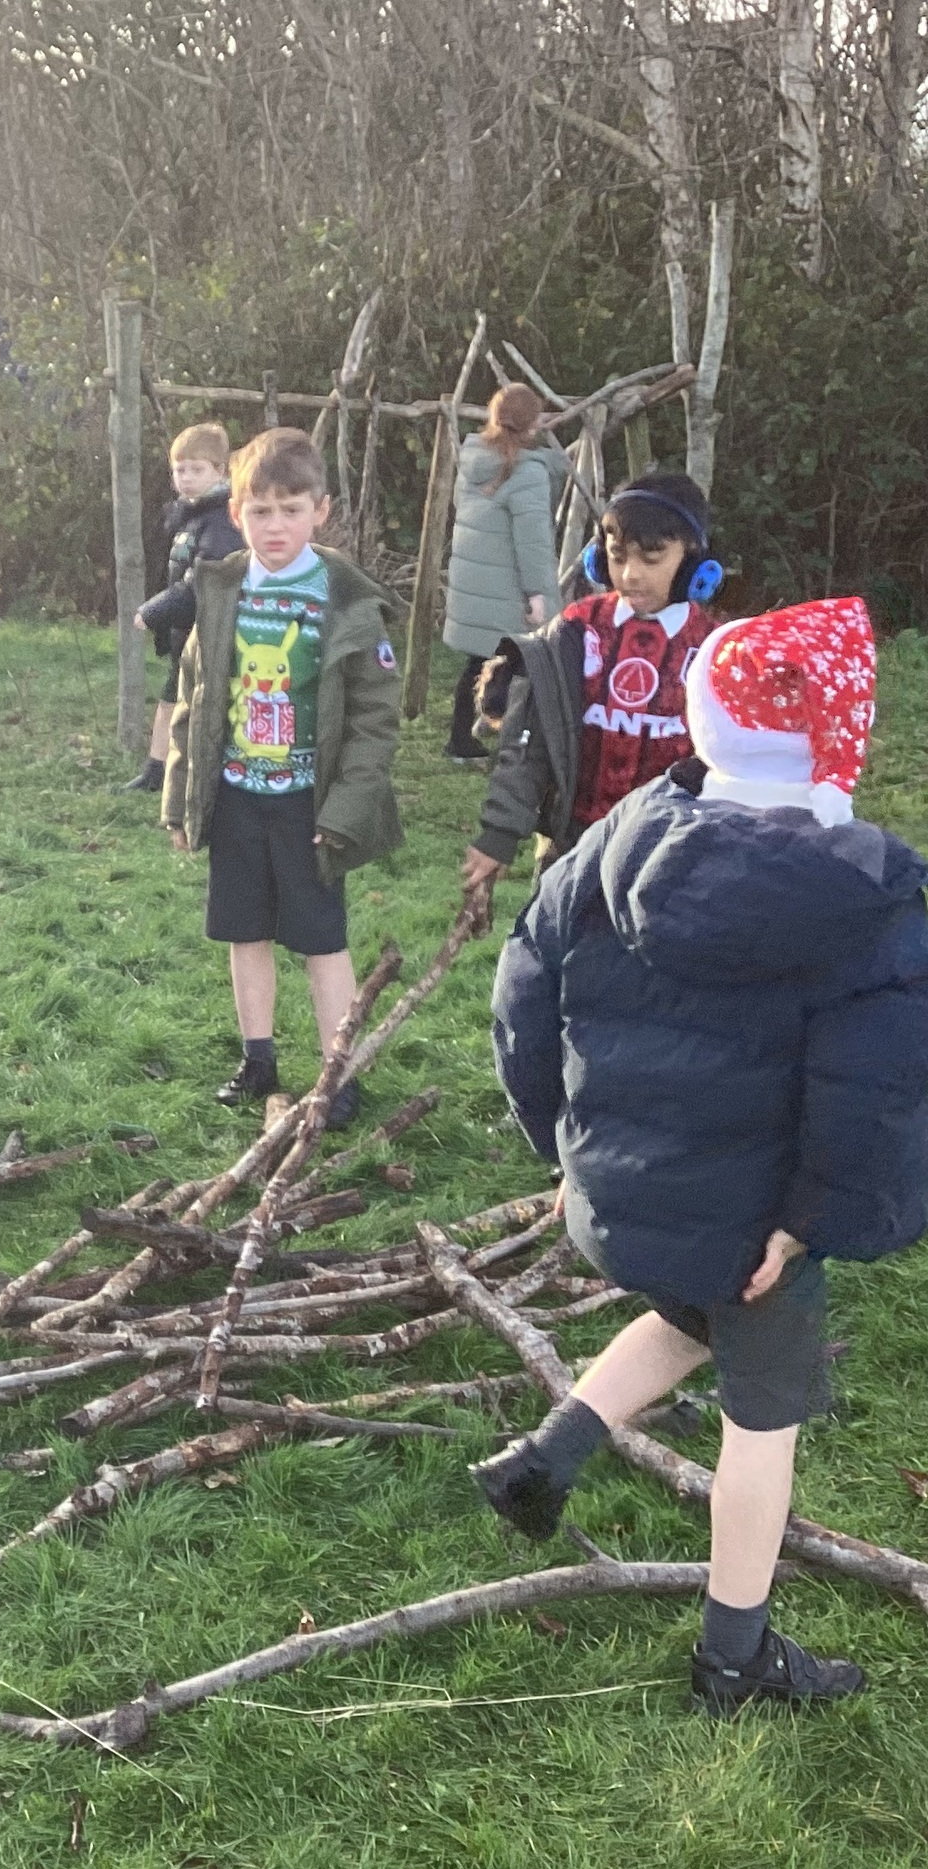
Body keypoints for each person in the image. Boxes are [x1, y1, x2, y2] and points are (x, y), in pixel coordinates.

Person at [477, 596, 926, 1713]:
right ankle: (733, 1657)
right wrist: (807, 1221)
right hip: (756, 1220)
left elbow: (521, 998)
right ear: (836, 734)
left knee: (686, 1315)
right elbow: (870, 1092)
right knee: (762, 1422)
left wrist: (564, 1146)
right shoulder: (865, 902)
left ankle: (541, 1460)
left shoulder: (614, 840)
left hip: (638, 1191)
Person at [162, 427, 401, 1128]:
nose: (275, 526)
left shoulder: (345, 600)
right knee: (245, 933)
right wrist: (180, 798)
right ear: (236, 513)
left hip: (310, 807)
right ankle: (257, 1059)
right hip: (237, 796)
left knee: (323, 941)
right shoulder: (222, 589)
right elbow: (194, 697)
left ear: (319, 511)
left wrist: (346, 811)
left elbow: (374, 722)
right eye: (260, 511)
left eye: (291, 510)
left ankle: (338, 1072)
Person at [462, 471, 720, 891]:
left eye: (651, 559)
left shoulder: (714, 650)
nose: (630, 574)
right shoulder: (576, 632)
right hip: (570, 849)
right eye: (617, 557)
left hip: (668, 858)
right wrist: (499, 833)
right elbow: (530, 742)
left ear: (693, 560)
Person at [440, 383, 566, 764]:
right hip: (508, 586)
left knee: (478, 662)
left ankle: (460, 740)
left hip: (474, 581)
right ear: (534, 424)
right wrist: (537, 593)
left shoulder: (475, 460)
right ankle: (516, 742)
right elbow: (532, 541)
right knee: (523, 665)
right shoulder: (527, 472)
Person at [124, 423, 243, 792]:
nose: (186, 478)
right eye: (180, 470)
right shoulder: (189, 516)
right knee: (169, 700)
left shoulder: (222, 521)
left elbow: (205, 580)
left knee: (201, 706)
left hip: (210, 632)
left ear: (221, 471)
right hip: (186, 632)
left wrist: (156, 610)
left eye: (197, 469)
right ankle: (155, 771)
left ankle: (205, 774)